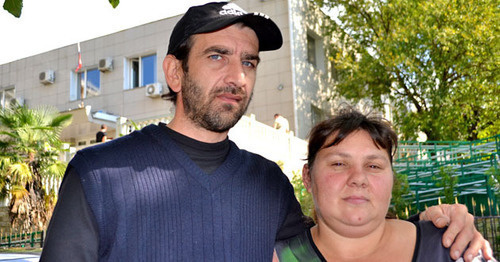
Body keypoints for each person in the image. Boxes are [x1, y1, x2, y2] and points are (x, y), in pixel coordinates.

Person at [41, 2, 491, 261]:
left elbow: (340, 240)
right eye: (218, 56)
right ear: (174, 73)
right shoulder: (98, 173)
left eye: (249, 61)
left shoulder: (268, 183)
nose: (238, 75)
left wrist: (435, 226)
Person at [274, 108, 494, 261]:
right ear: (308, 177)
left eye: (373, 166)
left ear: (392, 179)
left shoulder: (453, 247)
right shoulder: (277, 256)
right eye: (339, 163)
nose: (358, 178)